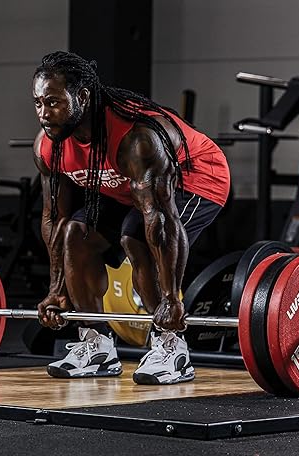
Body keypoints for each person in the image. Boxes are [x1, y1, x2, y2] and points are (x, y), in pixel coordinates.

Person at [33, 51, 230, 385]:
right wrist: (56, 289)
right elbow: (54, 217)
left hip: (197, 178)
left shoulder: (136, 139)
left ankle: (171, 347)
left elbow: (160, 219)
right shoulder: (49, 147)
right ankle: (96, 345)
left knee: (136, 237)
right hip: (127, 185)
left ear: (82, 97)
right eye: (38, 103)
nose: (44, 113)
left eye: (53, 102)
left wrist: (171, 299)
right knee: (75, 234)